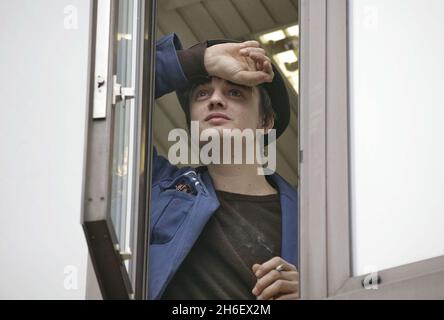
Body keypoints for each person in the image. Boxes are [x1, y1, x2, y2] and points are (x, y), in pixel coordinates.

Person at [151, 34, 299, 300]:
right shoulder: (154, 188)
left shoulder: (311, 221)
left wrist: (316, 293)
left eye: (235, 92)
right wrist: (200, 60)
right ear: (191, 123)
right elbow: (106, 94)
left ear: (265, 122)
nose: (215, 100)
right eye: (202, 94)